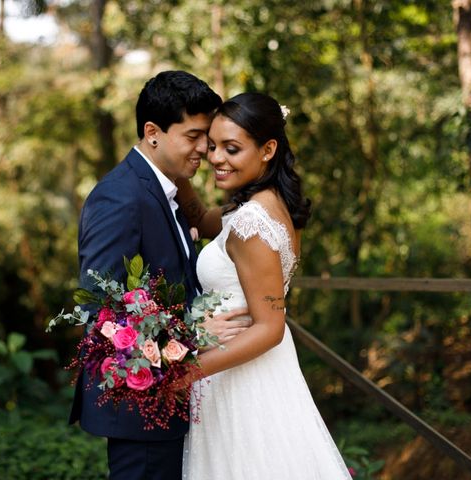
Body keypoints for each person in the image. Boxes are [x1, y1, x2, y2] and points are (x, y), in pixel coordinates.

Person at [68, 70, 250, 480]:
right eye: (193, 135)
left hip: (169, 401)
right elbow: (103, 313)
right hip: (141, 406)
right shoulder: (120, 196)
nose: (205, 148)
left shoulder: (163, 189)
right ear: (153, 132)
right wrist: (195, 332)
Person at [181, 92, 352, 479]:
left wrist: (186, 372)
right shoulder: (259, 207)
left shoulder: (251, 224)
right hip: (249, 370)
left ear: (268, 149)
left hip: (242, 378)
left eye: (231, 148)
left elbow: (271, 327)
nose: (215, 158)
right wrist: (179, 171)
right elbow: (202, 218)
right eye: (211, 146)